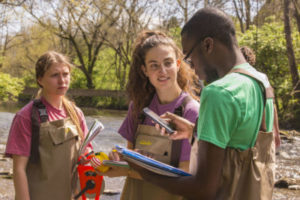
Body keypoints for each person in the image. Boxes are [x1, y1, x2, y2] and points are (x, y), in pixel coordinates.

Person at [128, 8, 280, 200]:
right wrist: (194, 131)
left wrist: (145, 172)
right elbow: (246, 143)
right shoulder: (263, 83)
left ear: (207, 45)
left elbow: (203, 189)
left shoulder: (218, 93)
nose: (192, 69)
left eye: (190, 58)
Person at [98, 30, 200, 200]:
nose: (162, 71)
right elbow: (129, 160)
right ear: (144, 70)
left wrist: (131, 171)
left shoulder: (191, 111)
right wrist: (115, 160)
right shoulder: (137, 109)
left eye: (168, 63)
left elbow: (185, 175)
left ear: (178, 63)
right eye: (154, 65)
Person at [5, 51, 90, 200]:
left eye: (65, 74)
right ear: (40, 80)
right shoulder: (26, 116)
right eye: (54, 75)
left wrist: (88, 157)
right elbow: (19, 169)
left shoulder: (76, 113)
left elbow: (87, 151)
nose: (62, 80)